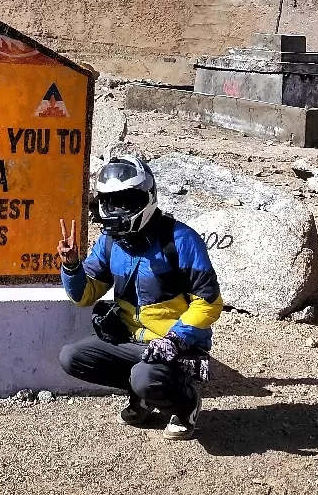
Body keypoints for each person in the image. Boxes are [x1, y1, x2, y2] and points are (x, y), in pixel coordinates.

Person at [57, 152, 223, 439]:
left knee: (146, 377)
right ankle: (144, 395)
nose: (117, 209)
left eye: (126, 201)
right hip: (131, 341)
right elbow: (84, 296)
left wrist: (176, 339)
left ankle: (185, 404)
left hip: (175, 345)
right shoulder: (110, 243)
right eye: (110, 201)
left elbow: (208, 302)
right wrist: (72, 266)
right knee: (72, 357)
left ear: (146, 197)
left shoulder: (181, 240)